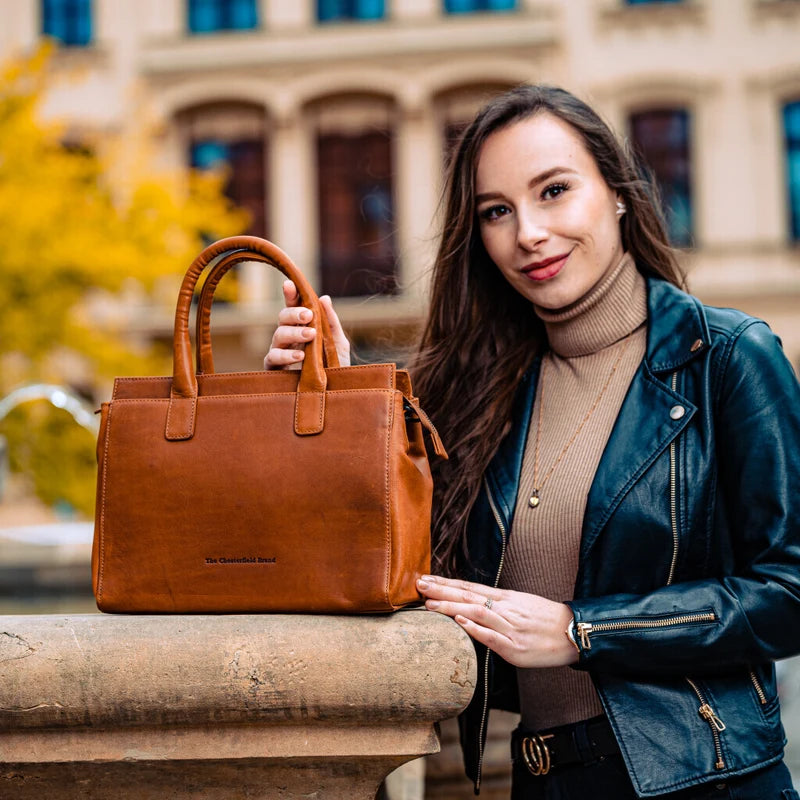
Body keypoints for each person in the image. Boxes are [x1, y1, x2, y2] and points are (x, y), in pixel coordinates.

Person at [265, 85, 800, 799]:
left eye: (554, 191)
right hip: (541, 778)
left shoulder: (728, 357)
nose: (529, 234)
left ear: (616, 192)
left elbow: (788, 591)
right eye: (497, 211)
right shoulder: (478, 391)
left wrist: (586, 631)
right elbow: (371, 562)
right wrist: (336, 406)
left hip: (703, 781)